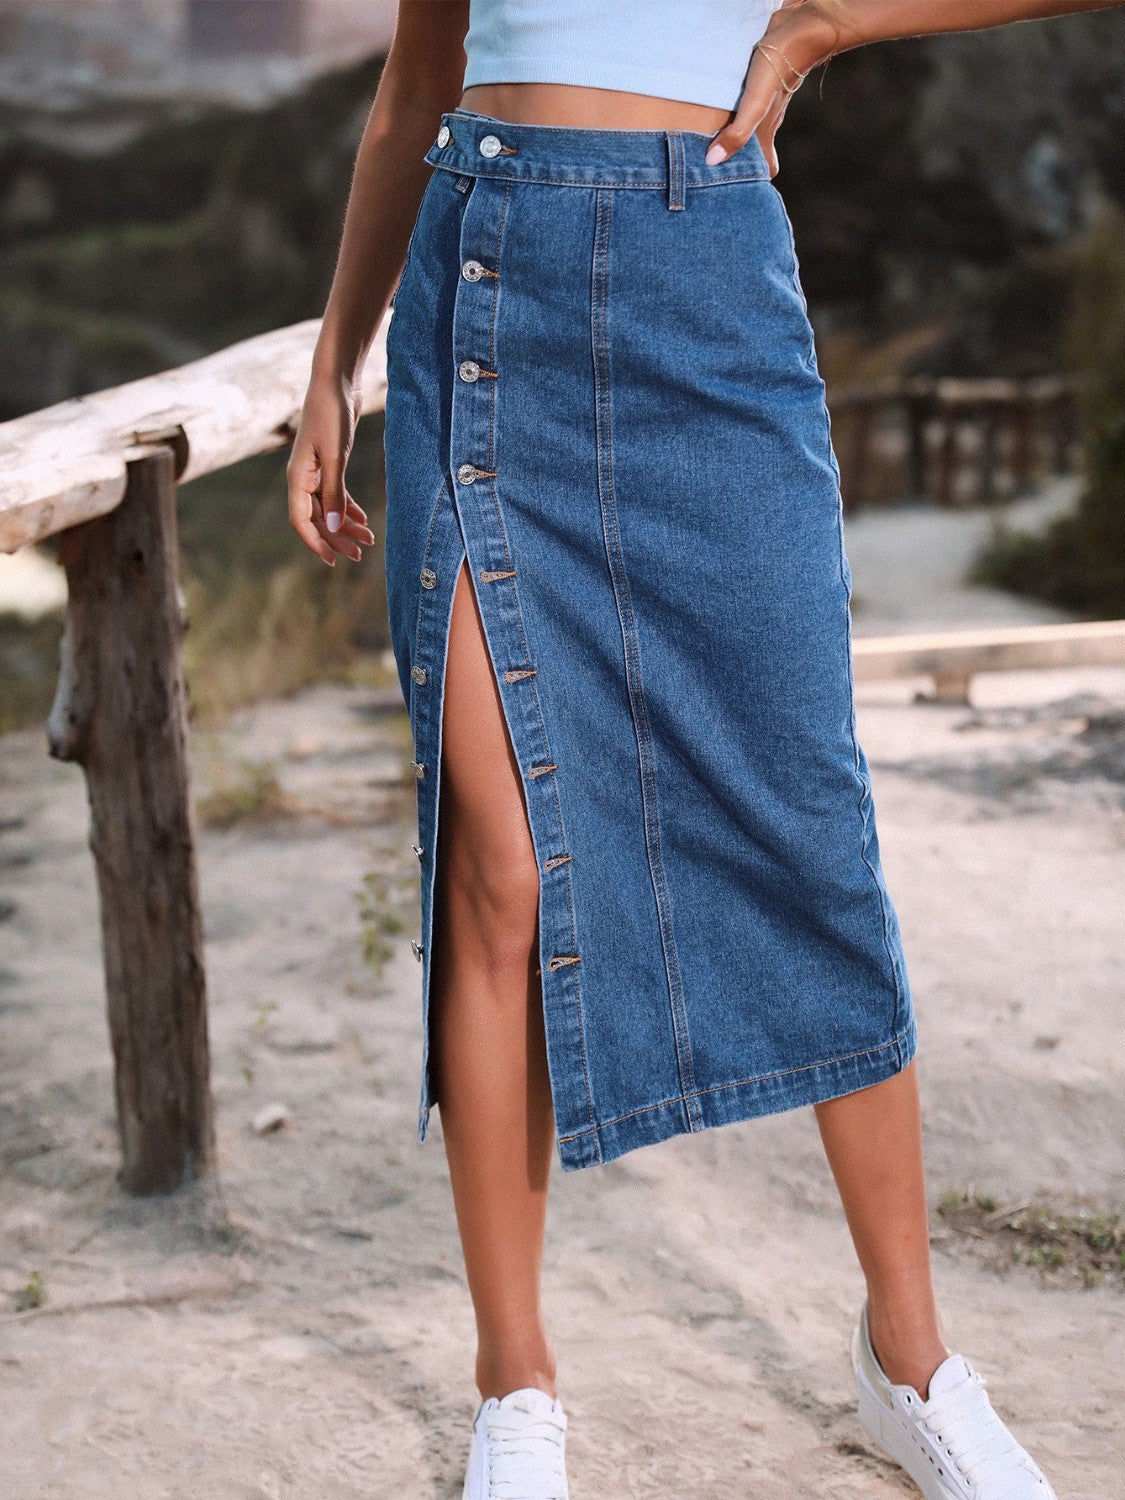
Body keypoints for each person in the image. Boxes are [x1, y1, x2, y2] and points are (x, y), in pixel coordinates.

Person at [288, 3, 1120, 1496]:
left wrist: (822, 28)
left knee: (803, 829)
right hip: (478, 301)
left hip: (701, 290)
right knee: (498, 873)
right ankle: (514, 1386)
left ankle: (911, 1361)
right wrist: (328, 372)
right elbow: (413, 85)